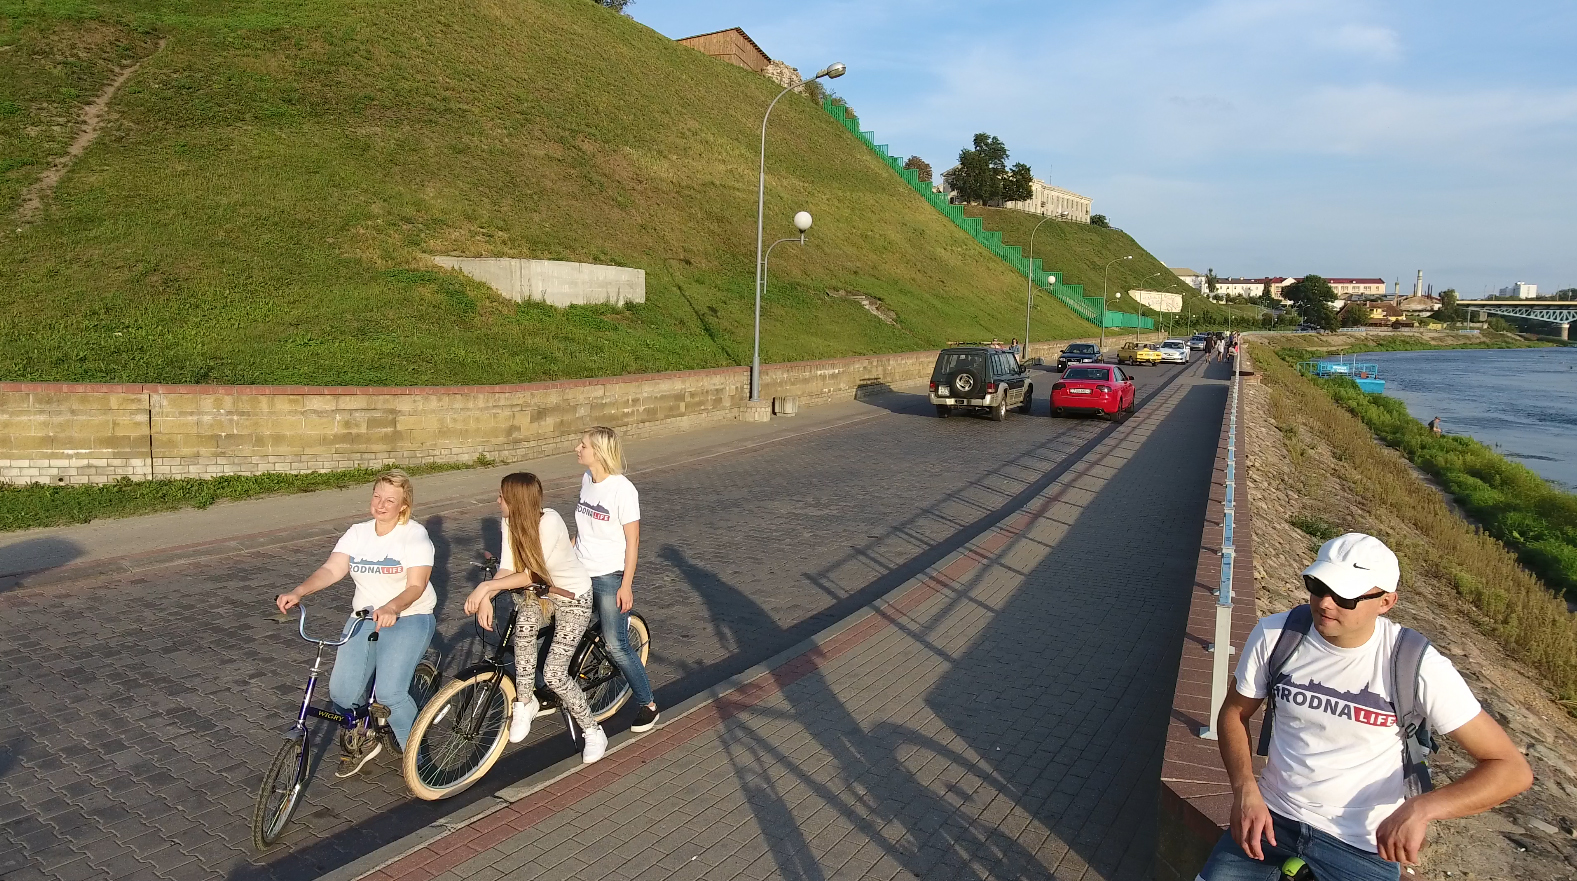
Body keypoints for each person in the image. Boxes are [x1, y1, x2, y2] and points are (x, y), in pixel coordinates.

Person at [1201, 533, 1531, 880]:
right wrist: (1244, 789)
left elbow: (1510, 768)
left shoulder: (1414, 663)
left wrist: (1422, 809)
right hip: (1270, 821)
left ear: (1386, 602)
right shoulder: (1277, 634)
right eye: (1317, 585)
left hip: (1362, 844)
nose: (1325, 603)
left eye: (1344, 595)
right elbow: (1234, 712)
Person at [277, 470, 438, 777]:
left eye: (390, 499)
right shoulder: (358, 532)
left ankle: (419, 760)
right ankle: (365, 738)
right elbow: (332, 569)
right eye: (377, 496)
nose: (381, 504)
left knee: (391, 694)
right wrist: (298, 591)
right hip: (364, 618)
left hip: (409, 616)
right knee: (342, 694)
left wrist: (392, 606)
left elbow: (417, 585)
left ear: (403, 505)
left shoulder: (415, 535)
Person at [464, 472, 607, 764]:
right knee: (523, 630)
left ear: (515, 501)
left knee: (554, 673)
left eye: (501, 497)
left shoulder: (550, 521)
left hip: (571, 598)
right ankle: (525, 702)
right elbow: (506, 567)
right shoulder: (509, 522)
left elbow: (531, 573)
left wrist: (487, 587)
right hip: (539, 595)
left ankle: (593, 730)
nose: (497, 501)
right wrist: (487, 598)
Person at [573, 427, 658, 732]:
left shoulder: (623, 490)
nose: (577, 448)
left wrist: (626, 584)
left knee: (616, 644)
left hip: (609, 575)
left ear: (598, 452)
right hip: (579, 571)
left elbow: (633, 542)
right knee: (559, 626)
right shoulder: (586, 480)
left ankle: (647, 703)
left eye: (582, 445)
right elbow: (583, 531)